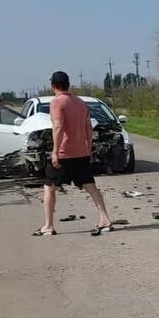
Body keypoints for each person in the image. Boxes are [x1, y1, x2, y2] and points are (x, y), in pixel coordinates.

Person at [34, 70, 115, 237]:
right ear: (68, 84)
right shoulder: (80, 102)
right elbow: (88, 128)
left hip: (64, 153)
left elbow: (58, 127)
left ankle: (48, 226)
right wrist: (88, 148)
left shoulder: (57, 102)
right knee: (91, 187)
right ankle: (105, 219)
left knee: (49, 187)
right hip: (81, 152)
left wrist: (55, 151)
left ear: (53, 86)